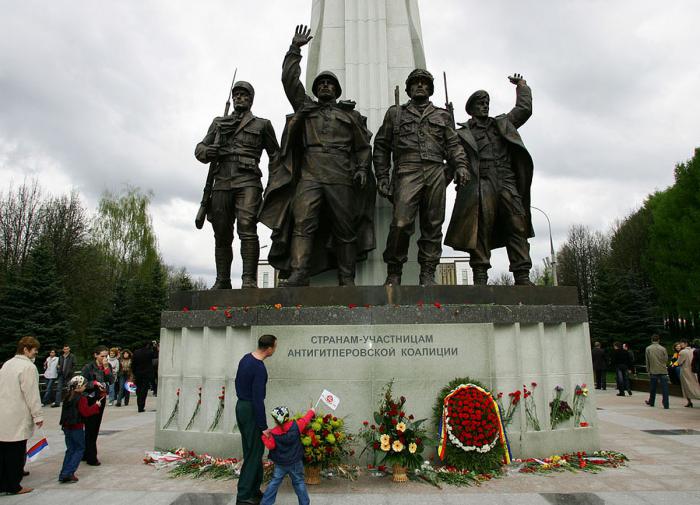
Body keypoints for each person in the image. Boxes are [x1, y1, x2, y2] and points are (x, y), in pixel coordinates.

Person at [260, 24, 374, 287]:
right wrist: (294, 50)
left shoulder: (350, 116)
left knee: (345, 229)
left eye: (329, 84)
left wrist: (361, 169)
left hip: (340, 174)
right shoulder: (306, 108)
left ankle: (347, 279)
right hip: (310, 174)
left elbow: (363, 148)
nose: (325, 86)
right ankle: (300, 273)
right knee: (303, 224)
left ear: (336, 90)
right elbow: (289, 81)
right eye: (321, 83)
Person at [373, 69, 469, 286]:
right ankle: (394, 271)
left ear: (430, 89)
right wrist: (382, 177)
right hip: (407, 170)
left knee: (433, 225)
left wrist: (461, 166)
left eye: (424, 83)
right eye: (415, 83)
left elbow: (454, 145)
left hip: (436, 170)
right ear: (408, 88)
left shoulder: (443, 115)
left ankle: (427, 273)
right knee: (400, 223)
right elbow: (381, 146)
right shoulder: (395, 113)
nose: (420, 86)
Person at [445, 74, 535, 286]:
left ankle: (522, 274)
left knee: (517, 224)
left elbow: (524, 110)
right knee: (481, 227)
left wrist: (522, 86)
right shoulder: (462, 133)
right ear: (471, 109)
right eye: (480, 104)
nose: (484, 106)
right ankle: (480, 275)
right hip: (481, 183)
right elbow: (453, 157)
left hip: (506, 180)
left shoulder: (502, 124)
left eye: (486, 103)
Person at [195, 80, 279, 289]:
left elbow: (276, 155)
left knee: (246, 228)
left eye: (244, 95)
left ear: (251, 99)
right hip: (221, 181)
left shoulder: (262, 124)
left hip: (248, 181)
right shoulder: (219, 123)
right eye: (236, 95)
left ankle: (249, 279)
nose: (239, 98)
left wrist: (272, 185)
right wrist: (208, 152)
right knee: (222, 233)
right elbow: (200, 149)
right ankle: (222, 280)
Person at [235, 334, 277, 505]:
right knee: (254, 453)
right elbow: (258, 399)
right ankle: (244, 495)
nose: (275, 349)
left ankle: (254, 490)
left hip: (241, 407)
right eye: (275, 346)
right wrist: (263, 425)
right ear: (269, 348)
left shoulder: (246, 359)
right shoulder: (259, 368)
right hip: (251, 409)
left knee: (251, 450)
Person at [0, 336, 44, 495]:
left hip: (3, 413)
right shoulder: (28, 367)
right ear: (26, 349)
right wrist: (37, 415)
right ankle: (14, 485)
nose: (35, 354)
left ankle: (3, 483)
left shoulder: (7, 364)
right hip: (17, 414)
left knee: (3, 450)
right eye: (34, 351)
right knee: (16, 453)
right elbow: (32, 394)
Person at [260, 406, 315, 505]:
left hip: (280, 464)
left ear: (275, 420)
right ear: (287, 416)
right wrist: (311, 411)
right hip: (295, 462)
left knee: (275, 482)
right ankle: (304, 503)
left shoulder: (273, 433)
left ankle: (265, 503)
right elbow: (306, 419)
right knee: (299, 482)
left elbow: (271, 446)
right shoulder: (297, 425)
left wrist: (265, 436)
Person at [58, 375, 101, 483]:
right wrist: (96, 406)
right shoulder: (81, 398)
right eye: (84, 385)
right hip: (76, 426)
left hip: (67, 426)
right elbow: (85, 412)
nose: (85, 387)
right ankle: (68, 473)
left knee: (70, 449)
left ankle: (64, 473)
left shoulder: (67, 396)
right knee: (79, 449)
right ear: (80, 386)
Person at [81, 345, 113, 466]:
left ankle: (86, 452)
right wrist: (94, 383)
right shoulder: (88, 367)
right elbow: (81, 383)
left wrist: (106, 368)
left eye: (106, 356)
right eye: (102, 356)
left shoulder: (107, 366)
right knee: (90, 427)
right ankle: (91, 456)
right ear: (95, 355)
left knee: (95, 427)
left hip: (101, 398)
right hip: (89, 399)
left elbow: (111, 380)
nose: (104, 358)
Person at [644, 334, 670, 409]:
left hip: (653, 370)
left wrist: (648, 370)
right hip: (663, 370)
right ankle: (666, 404)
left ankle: (652, 402)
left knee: (653, 387)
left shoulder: (648, 348)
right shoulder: (663, 348)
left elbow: (647, 360)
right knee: (665, 388)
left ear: (651, 340)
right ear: (659, 340)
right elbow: (666, 359)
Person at [132, 342, 156, 413]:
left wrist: (134, 372)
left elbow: (133, 363)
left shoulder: (136, 352)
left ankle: (139, 405)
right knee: (144, 390)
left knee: (138, 389)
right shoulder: (149, 352)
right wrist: (155, 348)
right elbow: (155, 356)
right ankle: (141, 406)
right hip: (147, 373)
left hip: (138, 373)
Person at [677, 339, 700, 408]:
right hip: (694, 370)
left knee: (686, 387)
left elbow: (679, 362)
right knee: (696, 384)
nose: (680, 345)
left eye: (682, 343)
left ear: (686, 344)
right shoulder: (693, 350)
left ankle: (689, 401)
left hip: (685, 371)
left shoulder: (682, 352)